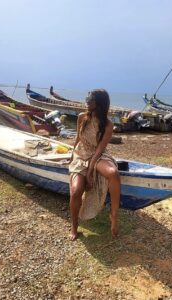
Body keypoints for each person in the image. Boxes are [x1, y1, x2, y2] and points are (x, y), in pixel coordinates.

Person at [69, 89, 120, 241]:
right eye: (87, 97)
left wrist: (90, 170)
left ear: (99, 103)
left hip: (98, 154)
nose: (87, 100)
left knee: (113, 173)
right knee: (76, 191)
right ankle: (74, 226)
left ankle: (114, 215)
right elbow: (78, 138)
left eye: (90, 99)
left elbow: (99, 149)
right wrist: (72, 155)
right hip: (81, 154)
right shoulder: (81, 117)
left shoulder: (108, 125)